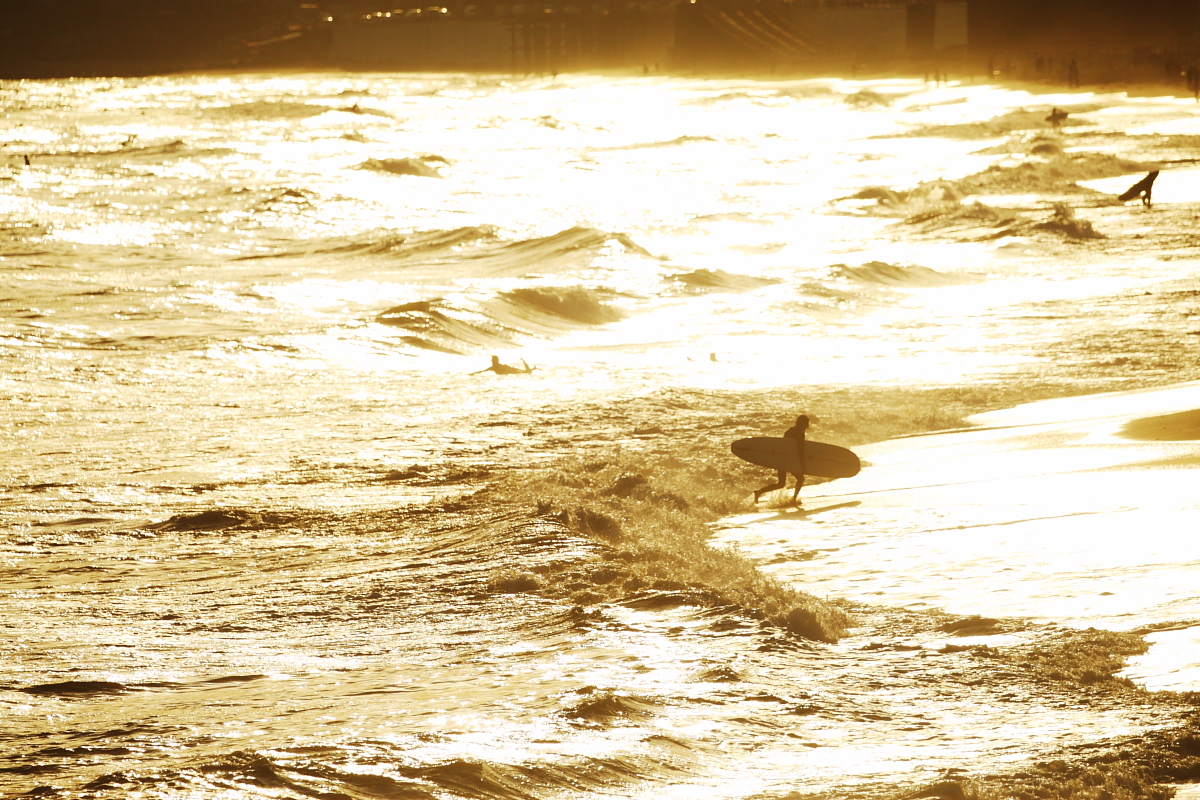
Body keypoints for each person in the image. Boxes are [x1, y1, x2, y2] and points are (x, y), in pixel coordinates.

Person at [754, 414, 809, 505]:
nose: (807, 425)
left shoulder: (789, 431)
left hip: (781, 459)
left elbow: (782, 445)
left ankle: (759, 492)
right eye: (806, 423)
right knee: (800, 479)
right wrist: (803, 465)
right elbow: (800, 450)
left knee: (781, 483)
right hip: (789, 461)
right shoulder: (800, 433)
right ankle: (793, 499)